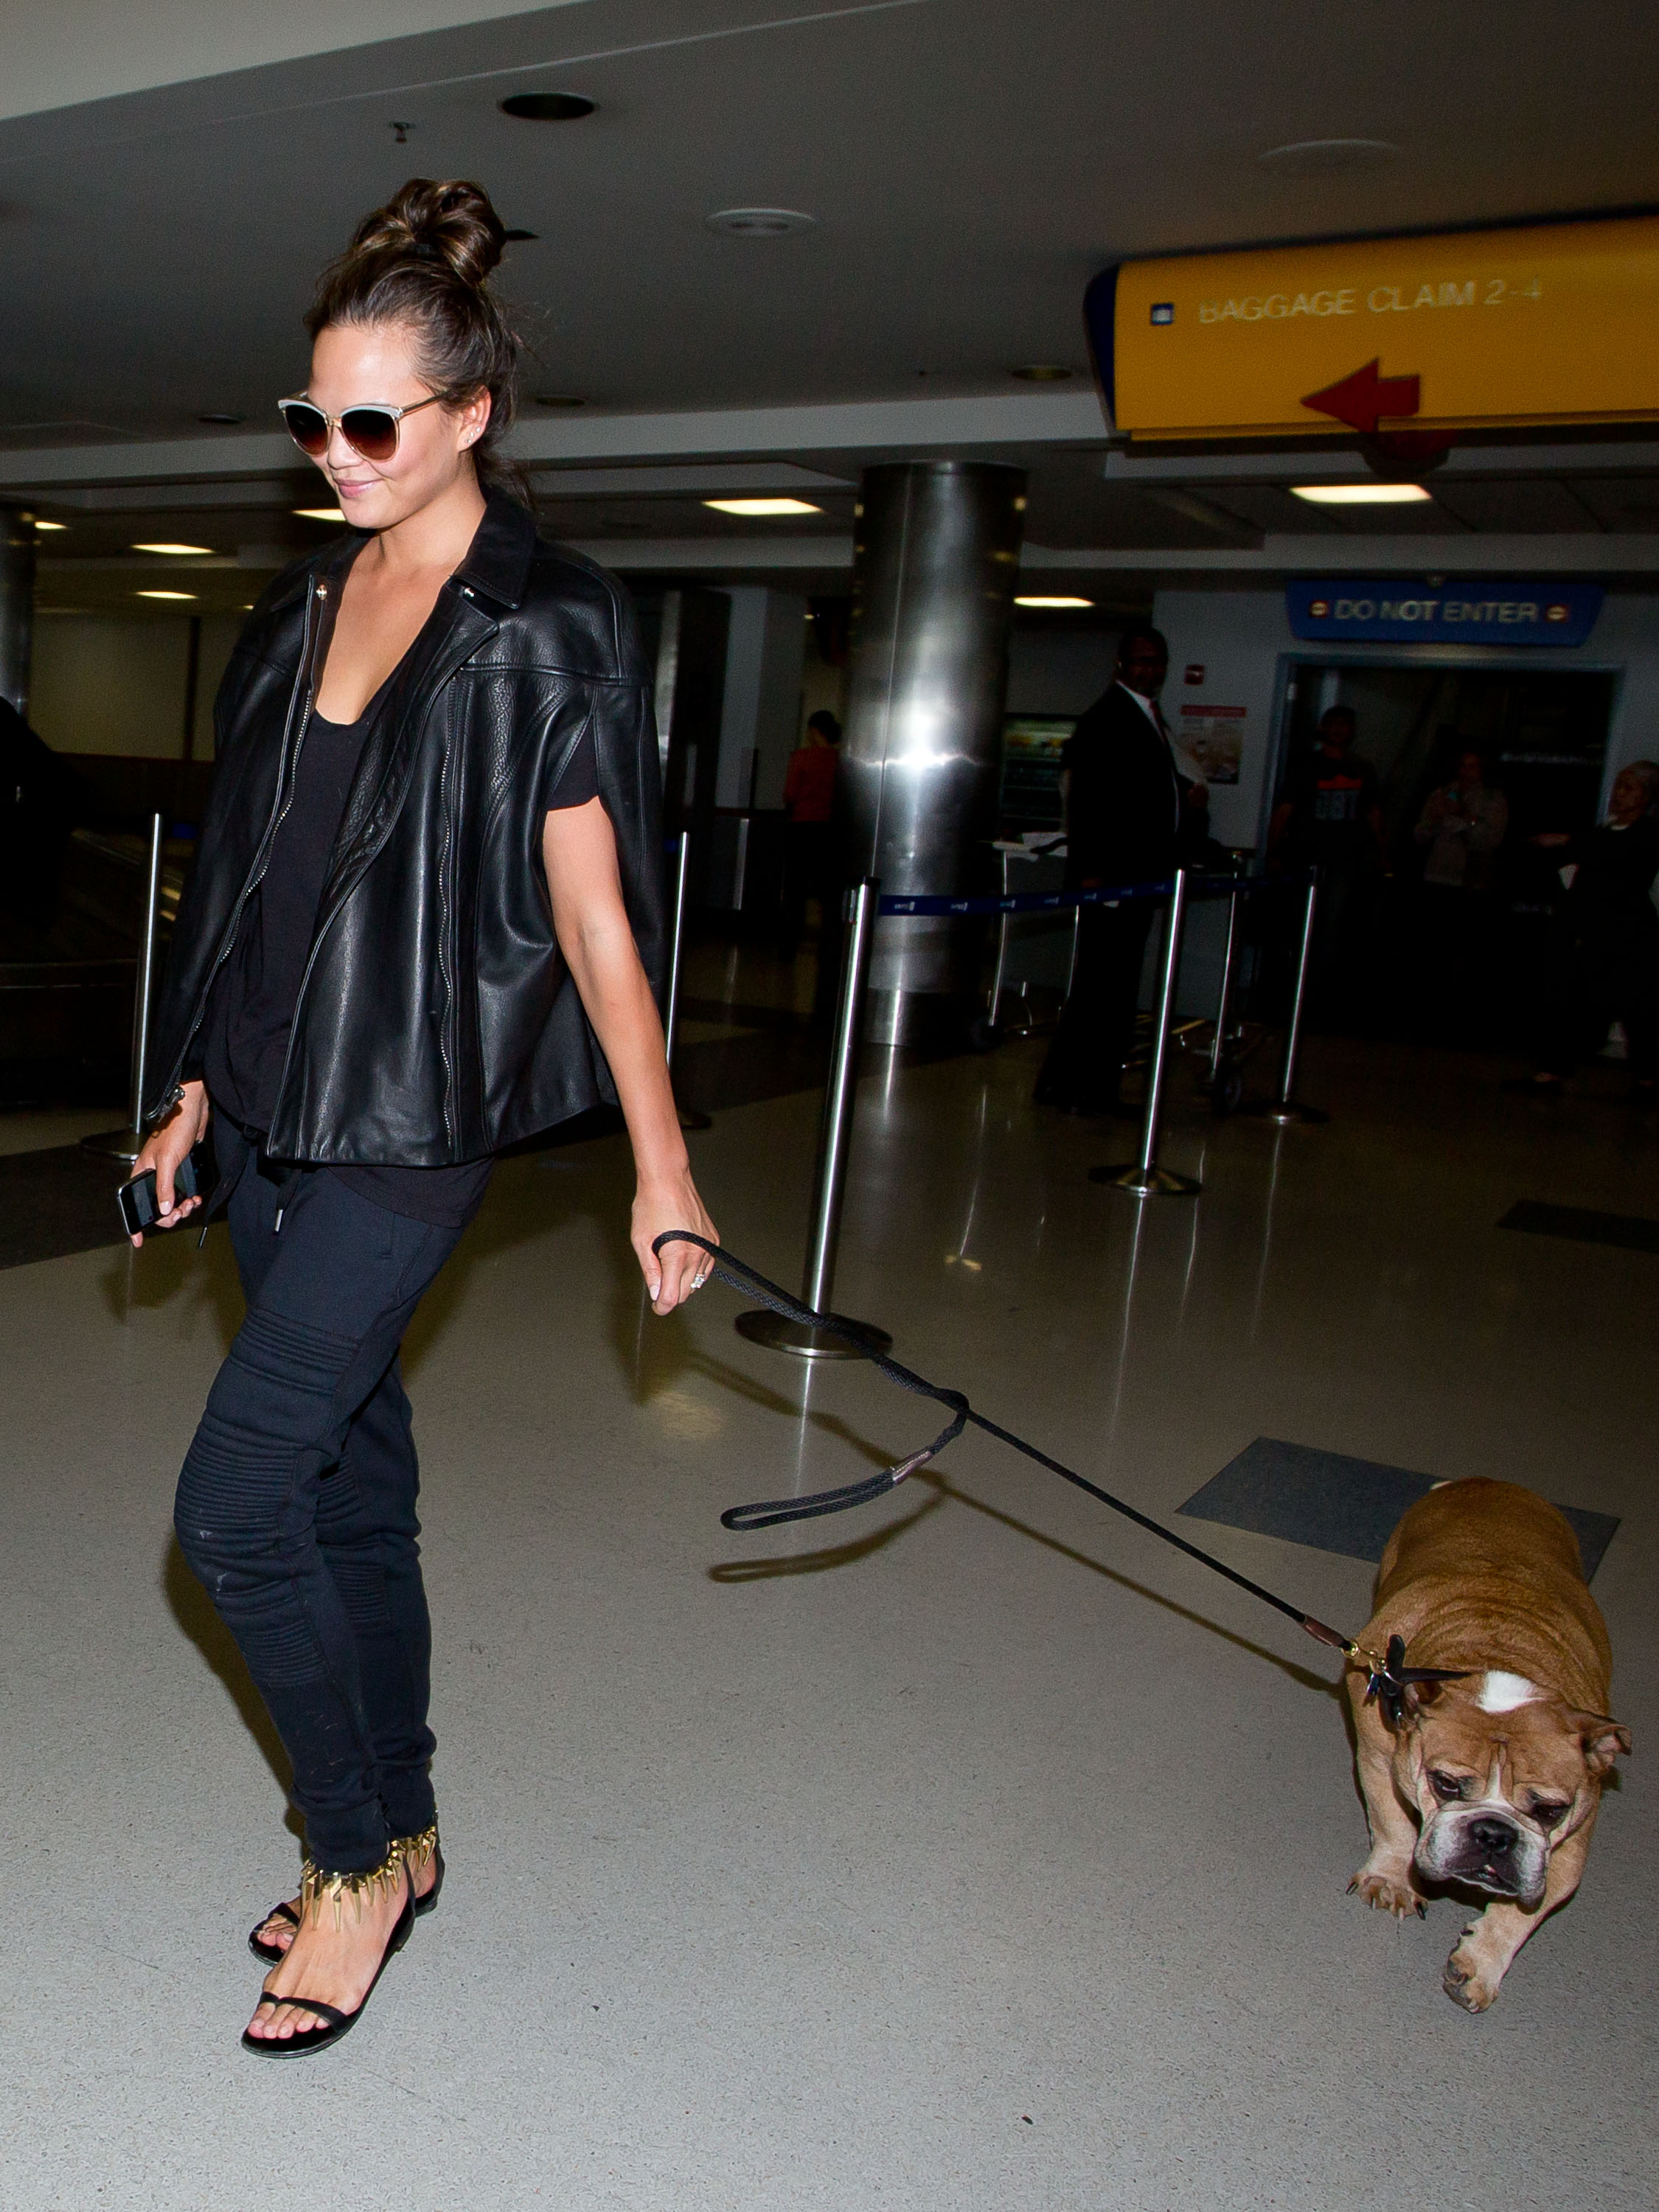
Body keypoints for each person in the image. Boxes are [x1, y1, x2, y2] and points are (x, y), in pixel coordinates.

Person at [132, 178, 718, 2059]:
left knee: (231, 1509)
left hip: (406, 1114)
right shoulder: (304, 594)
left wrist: (663, 1162)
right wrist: (193, 1084)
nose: (334, 454)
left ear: (471, 416)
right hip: (272, 1104)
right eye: (311, 420)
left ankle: (355, 1856)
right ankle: (416, 1818)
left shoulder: (544, 625)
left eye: (372, 420)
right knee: (349, 1483)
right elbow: (255, 873)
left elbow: (595, 913)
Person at [1035, 625, 1205, 1116]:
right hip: (1113, 877)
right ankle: (1088, 1089)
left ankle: (1074, 1085)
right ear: (1121, 665)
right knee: (1104, 986)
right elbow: (1089, 803)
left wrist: (1184, 801)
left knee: (1108, 985)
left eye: (1157, 661)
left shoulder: (1147, 717)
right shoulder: (1108, 718)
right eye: (1140, 661)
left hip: (1137, 872)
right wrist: (1093, 876)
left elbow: (1143, 790)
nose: (1148, 669)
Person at [1509, 759, 1659, 1099]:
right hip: (1588, 930)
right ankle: (1553, 1071)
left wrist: (1567, 841)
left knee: (1635, 1006)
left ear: (1646, 796)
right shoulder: (1606, 831)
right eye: (1618, 786)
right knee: (1568, 997)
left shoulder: (1647, 834)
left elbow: (1618, 861)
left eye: (1628, 788)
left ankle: (1647, 1080)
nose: (1618, 794)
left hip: (1627, 935)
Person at [1267, 703, 1386, 1018]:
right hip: (1304, 859)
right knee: (1297, 926)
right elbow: (1284, 810)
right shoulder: (1307, 765)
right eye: (1334, 724)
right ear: (1324, 728)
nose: (1339, 730)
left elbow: (1374, 815)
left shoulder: (1363, 768)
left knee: (1332, 931)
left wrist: (1381, 854)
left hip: (1345, 861)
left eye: (1345, 725)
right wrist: (1274, 851)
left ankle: (1319, 1001)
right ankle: (1288, 995)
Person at [1412, 748, 1508, 1035]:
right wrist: (1433, 818)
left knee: (1465, 951)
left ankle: (1460, 1016)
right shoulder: (1441, 793)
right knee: (1432, 949)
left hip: (1471, 882)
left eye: (1474, 766)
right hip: (1438, 877)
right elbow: (1419, 834)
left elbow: (1491, 840)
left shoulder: (1493, 799)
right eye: (1463, 765)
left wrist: (1466, 817)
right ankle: (1428, 1011)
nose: (1467, 772)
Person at [779, 708, 841, 953]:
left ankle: (788, 945)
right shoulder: (839, 761)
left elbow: (790, 794)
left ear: (814, 731)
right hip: (828, 831)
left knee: (795, 890)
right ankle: (830, 942)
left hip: (801, 828)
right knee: (827, 892)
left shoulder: (802, 758)